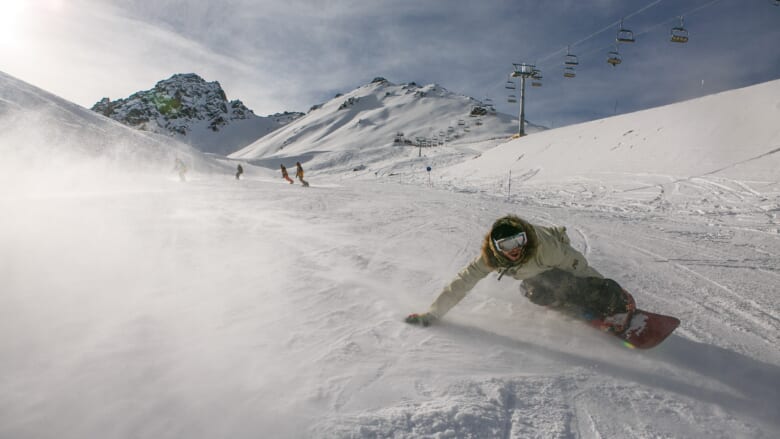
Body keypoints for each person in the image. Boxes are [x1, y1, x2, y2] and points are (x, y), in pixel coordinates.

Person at [405, 214, 635, 332]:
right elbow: (461, 283)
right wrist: (433, 314)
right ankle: (566, 301)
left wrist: (600, 289)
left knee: (572, 285)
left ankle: (614, 299)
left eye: (518, 241)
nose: (514, 249)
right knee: (534, 292)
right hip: (531, 272)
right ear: (496, 248)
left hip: (554, 257)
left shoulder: (545, 248)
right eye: (506, 245)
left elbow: (578, 265)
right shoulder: (488, 260)